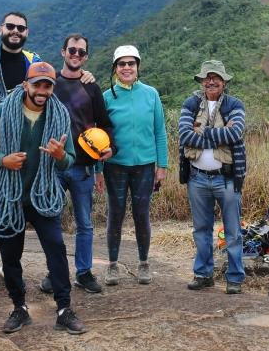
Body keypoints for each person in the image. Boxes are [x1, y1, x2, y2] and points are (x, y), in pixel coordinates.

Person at [0, 13, 96, 294]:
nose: (15, 31)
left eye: (20, 28)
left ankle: (10, 264)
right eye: (10, 27)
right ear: (1, 28)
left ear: (26, 32)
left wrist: (83, 75)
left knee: (26, 202)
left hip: (30, 146)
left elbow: (48, 82)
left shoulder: (32, 60)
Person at [0, 61, 86, 335]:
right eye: (37, 84)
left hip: (43, 196)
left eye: (48, 85)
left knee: (56, 250)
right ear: (26, 85)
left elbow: (69, 159)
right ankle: (19, 308)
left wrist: (61, 156)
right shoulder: (3, 112)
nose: (42, 90)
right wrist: (3, 159)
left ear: (52, 88)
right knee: (11, 256)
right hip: (10, 197)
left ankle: (63, 309)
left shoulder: (59, 116)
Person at [38, 33, 114, 295]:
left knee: (85, 223)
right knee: (52, 220)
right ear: (62, 52)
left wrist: (108, 148)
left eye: (81, 52)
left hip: (83, 166)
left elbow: (104, 123)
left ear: (86, 57)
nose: (76, 55)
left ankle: (83, 272)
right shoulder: (49, 83)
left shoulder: (91, 86)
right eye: (72, 50)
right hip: (54, 164)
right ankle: (55, 272)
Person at [178, 60, 247, 294]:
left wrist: (204, 131)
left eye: (216, 77)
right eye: (206, 77)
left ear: (224, 82)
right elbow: (185, 136)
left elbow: (236, 133)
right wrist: (220, 134)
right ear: (201, 81)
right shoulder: (190, 104)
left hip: (226, 178)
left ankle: (235, 277)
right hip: (197, 177)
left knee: (233, 230)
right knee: (201, 228)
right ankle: (203, 274)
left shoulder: (234, 104)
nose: (211, 81)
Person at [102, 45, 168, 286]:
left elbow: (160, 132)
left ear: (138, 67)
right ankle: (111, 265)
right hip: (115, 166)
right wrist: (99, 170)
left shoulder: (151, 94)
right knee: (115, 214)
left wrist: (162, 166)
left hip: (145, 166)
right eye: (122, 64)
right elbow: (100, 137)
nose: (127, 67)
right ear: (115, 69)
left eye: (131, 63)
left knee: (142, 215)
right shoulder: (107, 97)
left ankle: (143, 263)